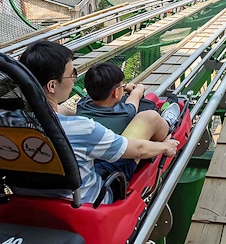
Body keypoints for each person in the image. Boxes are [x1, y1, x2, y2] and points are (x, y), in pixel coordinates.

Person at [19, 40, 179, 205]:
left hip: (27, 200)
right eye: (72, 73)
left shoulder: (4, 121)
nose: (74, 79)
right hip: (87, 201)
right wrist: (165, 147)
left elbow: (54, 111)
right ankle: (168, 122)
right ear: (52, 86)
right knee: (148, 118)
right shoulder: (82, 128)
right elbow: (137, 150)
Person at [76, 62, 179, 135]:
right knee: (153, 117)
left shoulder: (82, 104)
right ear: (115, 92)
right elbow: (136, 94)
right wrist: (138, 87)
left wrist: (123, 87)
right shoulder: (125, 113)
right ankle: (168, 121)